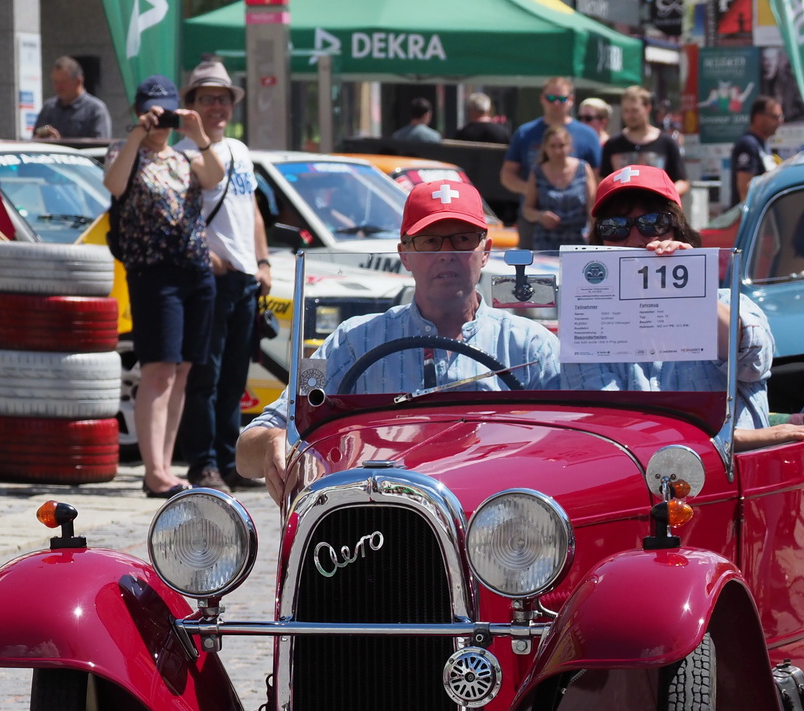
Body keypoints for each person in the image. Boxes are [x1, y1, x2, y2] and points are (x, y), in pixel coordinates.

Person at [236, 180, 561, 501]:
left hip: (495, 532)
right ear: (404, 254)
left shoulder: (532, 347)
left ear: (486, 251)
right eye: (430, 241)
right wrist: (274, 442)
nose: (447, 254)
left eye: (463, 240)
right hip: (380, 526)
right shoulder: (348, 341)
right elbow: (251, 446)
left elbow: (575, 449)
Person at [564, 166, 804, 453]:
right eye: (615, 227)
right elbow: (607, 427)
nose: (636, 239)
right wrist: (741, 438)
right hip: (641, 478)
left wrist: (687, 289)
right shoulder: (587, 322)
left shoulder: (728, 302)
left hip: (733, 477)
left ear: (677, 229)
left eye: (653, 223)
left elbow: (753, 362)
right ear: (599, 242)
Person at [103, 75, 227, 498]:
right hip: (153, 273)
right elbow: (115, 186)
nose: (161, 122)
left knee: (182, 371)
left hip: (195, 271)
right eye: (153, 113)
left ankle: (166, 465)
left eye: (166, 113)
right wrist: (139, 134)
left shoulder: (184, 156)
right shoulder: (125, 153)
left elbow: (214, 177)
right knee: (157, 370)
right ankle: (153, 469)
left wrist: (199, 135)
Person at [173, 61, 271, 493]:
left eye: (224, 98)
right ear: (190, 105)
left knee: (235, 378)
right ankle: (203, 464)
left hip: (245, 279)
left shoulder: (239, 149)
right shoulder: (181, 153)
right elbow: (177, 217)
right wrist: (206, 256)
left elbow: (251, 211)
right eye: (208, 98)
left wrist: (263, 261)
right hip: (209, 278)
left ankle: (230, 460)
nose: (217, 106)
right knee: (205, 377)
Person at [500, 77, 603, 205]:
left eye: (561, 99)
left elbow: (597, 178)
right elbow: (508, 174)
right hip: (533, 213)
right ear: (542, 98)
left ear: (571, 100)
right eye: (551, 99)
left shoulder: (588, 135)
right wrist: (531, 190)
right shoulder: (525, 133)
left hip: (576, 215)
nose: (556, 104)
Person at [602, 85, 689, 198]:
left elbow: (682, 181)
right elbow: (603, 180)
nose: (630, 115)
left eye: (634, 110)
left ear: (648, 108)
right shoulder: (612, 144)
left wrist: (664, 196)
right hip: (621, 210)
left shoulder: (666, 143)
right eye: (626, 111)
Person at [523, 124, 595, 249]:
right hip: (546, 240)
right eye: (552, 146)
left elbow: (592, 207)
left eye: (561, 146)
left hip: (578, 239)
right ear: (545, 147)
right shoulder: (537, 172)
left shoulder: (583, 168)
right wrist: (540, 216)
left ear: (569, 146)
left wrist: (594, 232)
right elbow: (527, 210)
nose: (557, 151)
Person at [33, 56, 111, 141]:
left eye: (63, 82)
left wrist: (60, 143)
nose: (58, 87)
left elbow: (100, 145)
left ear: (78, 82)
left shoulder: (95, 110)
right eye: (55, 82)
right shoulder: (48, 108)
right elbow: (34, 139)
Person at [729, 95, 782, 206]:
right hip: (750, 217)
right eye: (774, 117)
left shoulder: (762, 144)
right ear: (758, 118)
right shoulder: (748, 144)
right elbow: (745, 190)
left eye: (781, 117)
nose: (780, 121)